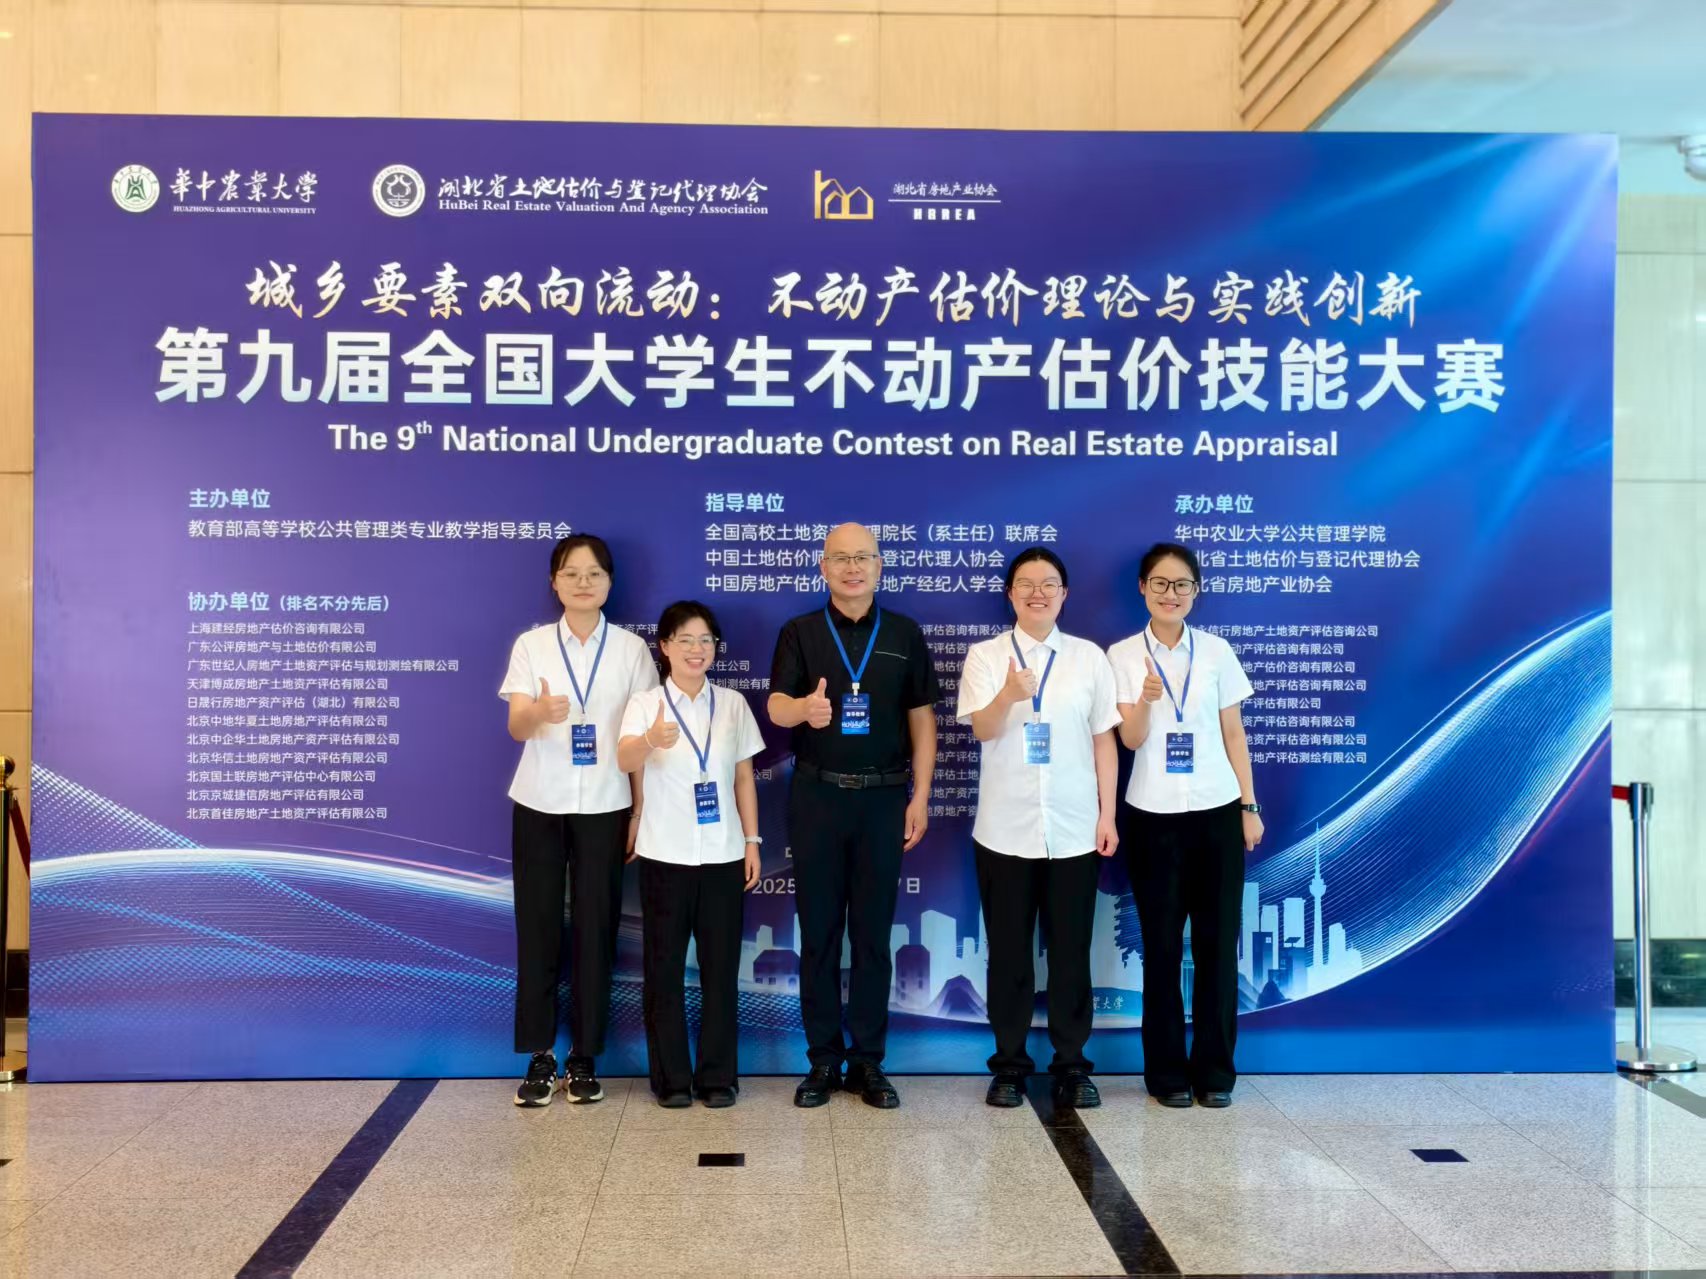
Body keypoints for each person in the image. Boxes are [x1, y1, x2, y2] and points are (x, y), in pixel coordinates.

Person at [767, 523, 939, 1109]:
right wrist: (803, 710)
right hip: (817, 796)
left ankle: (867, 1061)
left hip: (883, 798)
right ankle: (822, 1059)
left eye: (863, 557)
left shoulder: (904, 633)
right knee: (818, 933)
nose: (852, 567)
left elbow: (922, 719)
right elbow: (776, 704)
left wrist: (920, 796)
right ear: (823, 567)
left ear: (879, 565)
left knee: (872, 935)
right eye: (840, 558)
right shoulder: (800, 632)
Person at [957, 548, 1120, 1110]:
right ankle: (1008, 1066)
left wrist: (1107, 814)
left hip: (1075, 829)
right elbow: (982, 729)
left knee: (1072, 954)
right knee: (1008, 955)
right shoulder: (985, 656)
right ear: (1010, 594)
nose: (1037, 593)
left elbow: (1104, 739)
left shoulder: (1088, 658)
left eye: (1048, 584)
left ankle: (1072, 1066)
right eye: (1025, 584)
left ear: (1064, 594)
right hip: (1004, 830)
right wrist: (1008, 694)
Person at [500, 534, 658, 1107]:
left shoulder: (632, 651)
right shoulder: (533, 645)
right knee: (538, 927)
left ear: (610, 582)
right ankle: (540, 1056)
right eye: (571, 573)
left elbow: (641, 741)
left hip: (607, 805)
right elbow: (517, 727)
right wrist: (539, 712)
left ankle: (585, 1056)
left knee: (597, 930)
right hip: (539, 801)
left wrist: (639, 811)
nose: (583, 583)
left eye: (594, 573)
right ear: (554, 582)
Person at [1108, 542, 1262, 1109]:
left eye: (1181, 585)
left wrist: (1249, 806)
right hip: (1152, 815)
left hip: (1217, 811)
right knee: (1162, 948)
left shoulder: (1217, 652)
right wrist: (1147, 700)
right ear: (1142, 588)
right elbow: (1129, 739)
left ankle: (1216, 1073)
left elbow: (1234, 733)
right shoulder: (1122, 654)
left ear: (1196, 592)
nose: (1170, 594)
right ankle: (1167, 1074)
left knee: (1218, 947)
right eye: (1160, 583)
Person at [617, 601, 764, 1108]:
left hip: (723, 853)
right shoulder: (645, 703)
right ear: (664, 646)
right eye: (685, 640)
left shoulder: (733, 704)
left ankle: (718, 1078)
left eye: (705, 641)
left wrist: (751, 841)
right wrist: (649, 739)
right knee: (664, 970)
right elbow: (624, 758)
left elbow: (743, 777)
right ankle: (672, 1079)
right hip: (665, 854)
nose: (697, 650)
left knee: (721, 972)